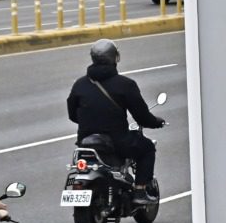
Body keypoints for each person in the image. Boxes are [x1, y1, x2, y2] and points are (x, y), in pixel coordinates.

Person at [66, 40, 166, 200]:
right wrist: (155, 122)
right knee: (147, 148)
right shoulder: (125, 85)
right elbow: (141, 116)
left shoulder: (80, 84)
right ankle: (140, 190)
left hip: (85, 141)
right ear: (115, 58)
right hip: (117, 142)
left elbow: (72, 114)